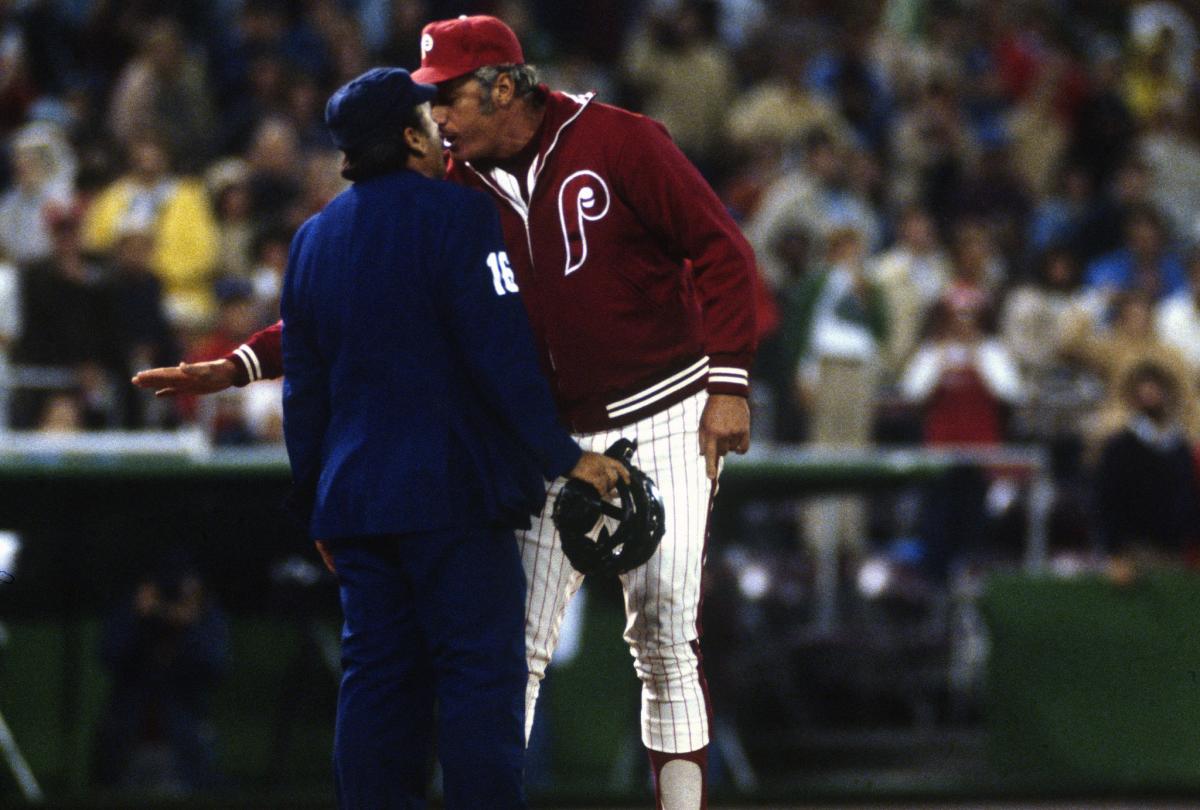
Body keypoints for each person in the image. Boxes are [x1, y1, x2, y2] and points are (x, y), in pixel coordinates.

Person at [134, 16, 759, 808]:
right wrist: (245, 361)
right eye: (428, 104)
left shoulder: (621, 140)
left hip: (662, 404)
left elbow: (722, 250)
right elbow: (395, 309)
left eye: (450, 96)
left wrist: (730, 380)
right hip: (541, 434)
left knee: (667, 637)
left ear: (505, 84)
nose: (440, 118)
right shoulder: (452, 191)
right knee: (510, 655)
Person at [281, 66, 625, 809]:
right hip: (454, 494)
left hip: (355, 503)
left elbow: (303, 396)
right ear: (409, 135)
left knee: (374, 681)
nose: (442, 129)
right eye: (428, 119)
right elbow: (501, 359)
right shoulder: (459, 219)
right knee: (478, 680)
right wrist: (566, 458)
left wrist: (318, 507)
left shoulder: (311, 242)